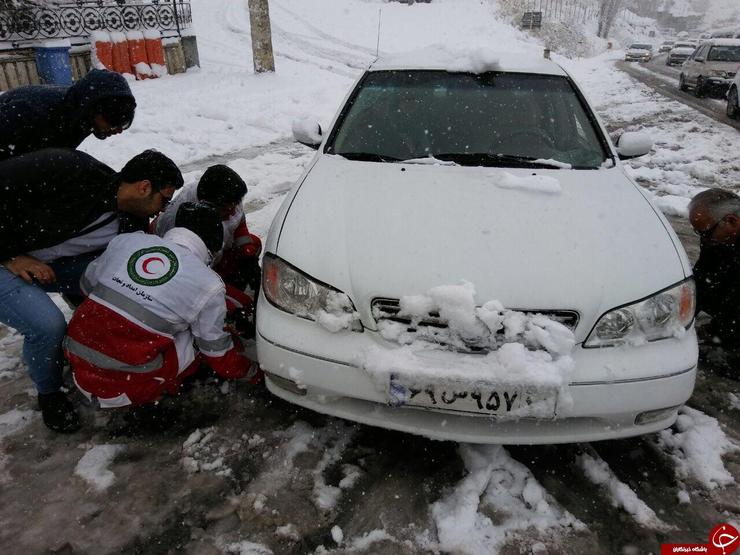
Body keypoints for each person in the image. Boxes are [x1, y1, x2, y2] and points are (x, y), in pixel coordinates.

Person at [0, 148, 183, 432]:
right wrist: (10, 255)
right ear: (144, 187)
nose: (163, 209)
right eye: (164, 199)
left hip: (49, 266)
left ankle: (89, 356)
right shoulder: (72, 171)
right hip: (6, 260)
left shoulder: (130, 225)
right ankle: (50, 394)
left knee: (121, 289)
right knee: (48, 326)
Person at [65, 202, 258, 410]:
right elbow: (218, 355)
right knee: (199, 337)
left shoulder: (126, 241)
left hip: (76, 355)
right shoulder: (208, 284)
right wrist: (254, 373)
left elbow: (86, 286)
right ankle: (161, 393)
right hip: (127, 385)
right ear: (211, 247)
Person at [154, 164, 262, 293]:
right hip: (193, 269)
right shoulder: (179, 221)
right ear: (207, 206)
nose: (233, 212)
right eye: (226, 209)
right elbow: (185, 272)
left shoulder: (228, 195)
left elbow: (239, 221)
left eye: (236, 204)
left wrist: (248, 253)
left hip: (217, 254)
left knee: (254, 243)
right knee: (239, 303)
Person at [0, 69, 136, 161]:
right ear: (94, 109)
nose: (118, 130)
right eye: (114, 120)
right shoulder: (32, 114)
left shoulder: (82, 114)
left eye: (125, 123)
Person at [688, 188, 740, 370]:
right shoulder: (715, 237)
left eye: (705, 233)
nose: (704, 239)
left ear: (732, 221)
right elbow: (702, 275)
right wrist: (685, 320)